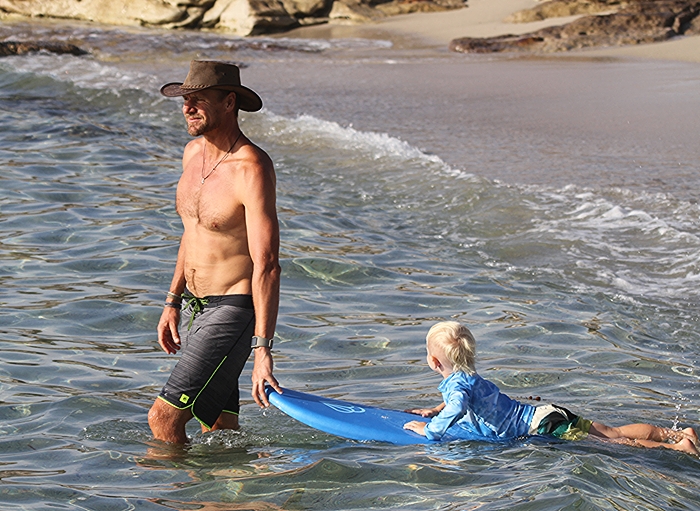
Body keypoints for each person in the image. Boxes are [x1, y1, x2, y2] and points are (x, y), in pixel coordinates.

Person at [148, 60, 282, 444]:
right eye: (185, 100)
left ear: (229, 102)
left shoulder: (251, 168)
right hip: (198, 308)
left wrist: (262, 349)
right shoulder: (192, 154)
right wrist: (172, 300)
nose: (188, 108)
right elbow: (192, 232)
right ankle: (232, 482)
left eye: (199, 100)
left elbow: (268, 264)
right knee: (218, 425)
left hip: (234, 309)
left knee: (163, 419)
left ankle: (168, 486)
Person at [404, 321, 699, 455]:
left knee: (613, 443)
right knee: (614, 431)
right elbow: (465, 401)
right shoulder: (470, 376)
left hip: (544, 428)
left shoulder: (457, 386)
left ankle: (678, 447)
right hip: (547, 413)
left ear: (434, 361)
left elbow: (458, 405)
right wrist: (435, 409)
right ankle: (678, 434)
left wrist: (429, 430)